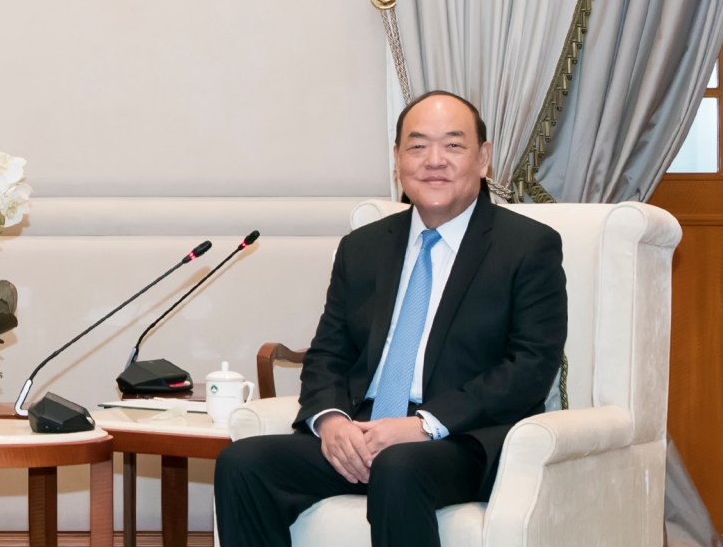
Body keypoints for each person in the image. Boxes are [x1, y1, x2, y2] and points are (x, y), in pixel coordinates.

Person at [214, 90, 567, 547]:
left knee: (398, 467)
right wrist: (332, 422)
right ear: (398, 159)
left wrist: (423, 424)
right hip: (365, 430)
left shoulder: (528, 246)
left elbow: (530, 367)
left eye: (453, 145)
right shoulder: (363, 248)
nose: (434, 160)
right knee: (243, 463)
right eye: (418, 146)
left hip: (461, 440)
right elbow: (328, 354)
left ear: (483, 158)